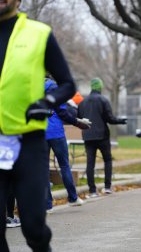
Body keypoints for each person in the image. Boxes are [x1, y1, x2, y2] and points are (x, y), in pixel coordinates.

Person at [0, 0, 76, 251]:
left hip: (29, 143)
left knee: (33, 227)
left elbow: (67, 84)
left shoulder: (38, 34)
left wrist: (48, 101)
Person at [44, 78, 91, 213]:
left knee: (43, 169)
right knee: (64, 165)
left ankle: (47, 205)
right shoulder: (55, 87)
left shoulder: (33, 87)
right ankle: (72, 198)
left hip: (40, 133)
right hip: (57, 133)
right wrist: (77, 122)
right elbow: (63, 113)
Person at [77, 78, 127, 198]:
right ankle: (107, 187)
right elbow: (110, 118)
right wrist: (121, 121)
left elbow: (78, 119)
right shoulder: (103, 100)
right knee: (107, 160)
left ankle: (92, 191)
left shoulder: (82, 103)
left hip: (88, 136)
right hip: (102, 136)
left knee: (90, 163)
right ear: (100, 87)